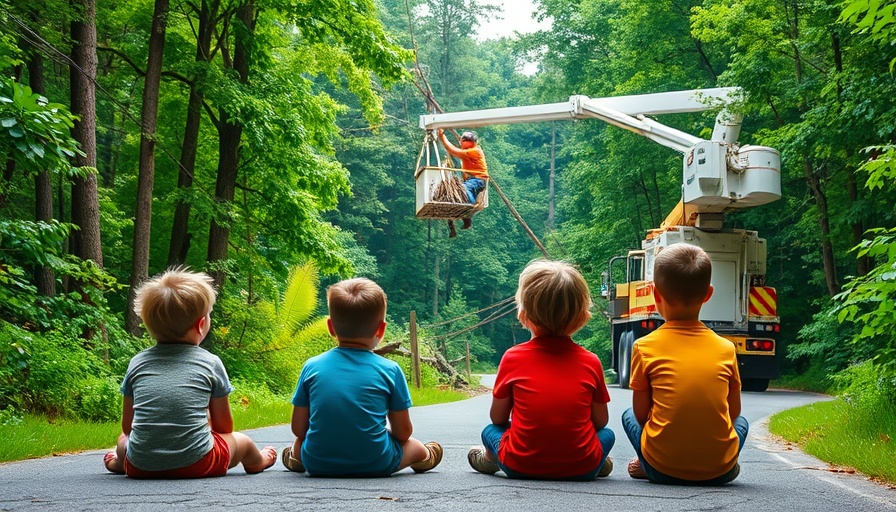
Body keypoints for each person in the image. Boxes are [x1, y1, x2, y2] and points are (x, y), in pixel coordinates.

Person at [103, 268, 277, 478]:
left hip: (141, 465)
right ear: (201, 325)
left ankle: (120, 462)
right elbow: (224, 426)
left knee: (124, 440)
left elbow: (129, 427)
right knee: (242, 441)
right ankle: (258, 460)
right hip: (200, 462)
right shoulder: (210, 363)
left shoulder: (137, 363)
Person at [468, 260, 615, 480]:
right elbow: (601, 422)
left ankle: (490, 459)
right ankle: (595, 460)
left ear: (523, 313)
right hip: (583, 468)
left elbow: (497, 418)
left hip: (519, 465)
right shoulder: (591, 362)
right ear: (582, 316)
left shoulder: (512, 358)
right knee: (607, 434)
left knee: (489, 431)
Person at [281, 277, 442, 476]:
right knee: (414, 445)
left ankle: (295, 457)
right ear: (381, 330)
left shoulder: (311, 367)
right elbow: (403, 433)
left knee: (298, 443)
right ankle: (425, 456)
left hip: (317, 462)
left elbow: (299, 429)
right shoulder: (390, 370)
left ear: (331, 327)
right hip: (376, 462)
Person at [622, 243, 749, 485]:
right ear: (708, 294)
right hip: (719, 472)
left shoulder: (644, 346)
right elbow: (734, 414)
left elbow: (640, 415)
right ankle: (723, 463)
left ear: (655, 293)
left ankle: (646, 463)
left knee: (627, 415)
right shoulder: (726, 348)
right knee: (742, 424)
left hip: (662, 469)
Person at [438, 128, 488, 238]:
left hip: (478, 180)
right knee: (450, 198)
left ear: (473, 142)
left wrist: (442, 136)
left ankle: (468, 212)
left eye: (465, 140)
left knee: (463, 190)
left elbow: (452, 150)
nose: (462, 142)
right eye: (462, 140)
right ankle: (452, 227)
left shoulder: (474, 151)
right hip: (471, 181)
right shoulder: (466, 153)